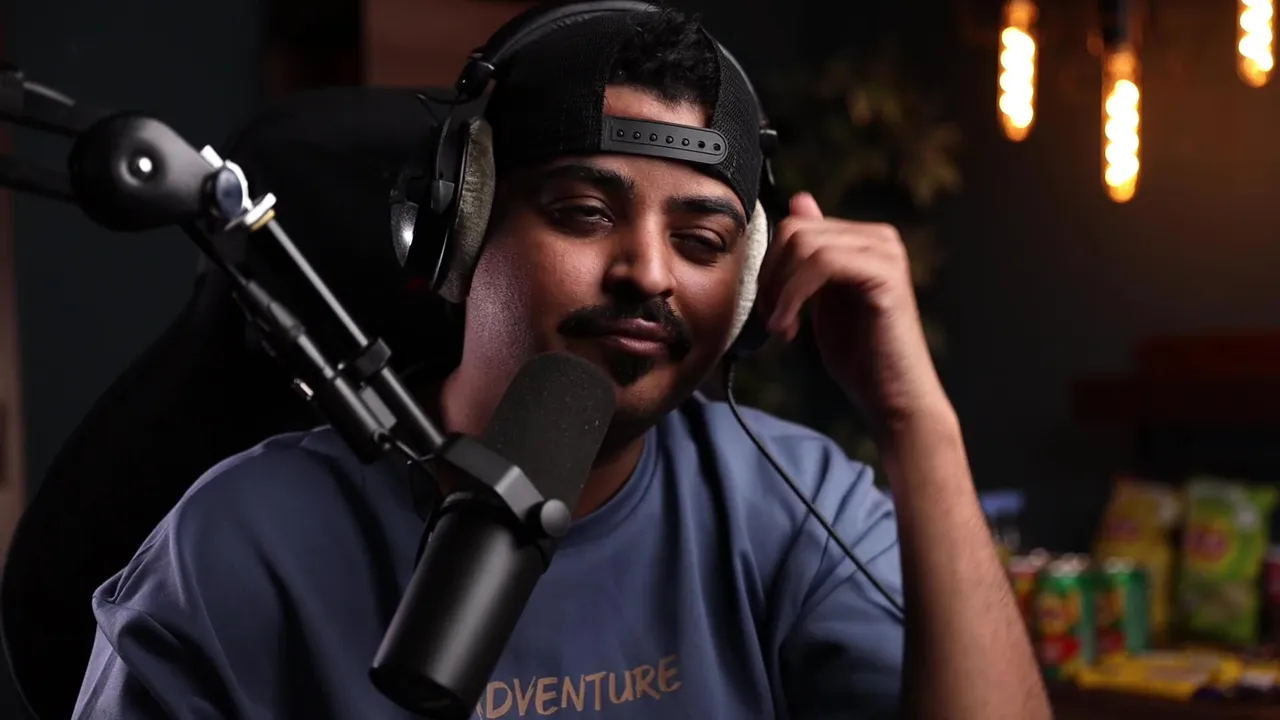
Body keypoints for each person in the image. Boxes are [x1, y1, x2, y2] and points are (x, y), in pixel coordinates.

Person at [72, 7, 1049, 720]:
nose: (648, 272)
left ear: (747, 286)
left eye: (702, 242)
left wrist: (918, 425)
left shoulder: (794, 509)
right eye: (584, 213)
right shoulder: (236, 546)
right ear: (455, 233)